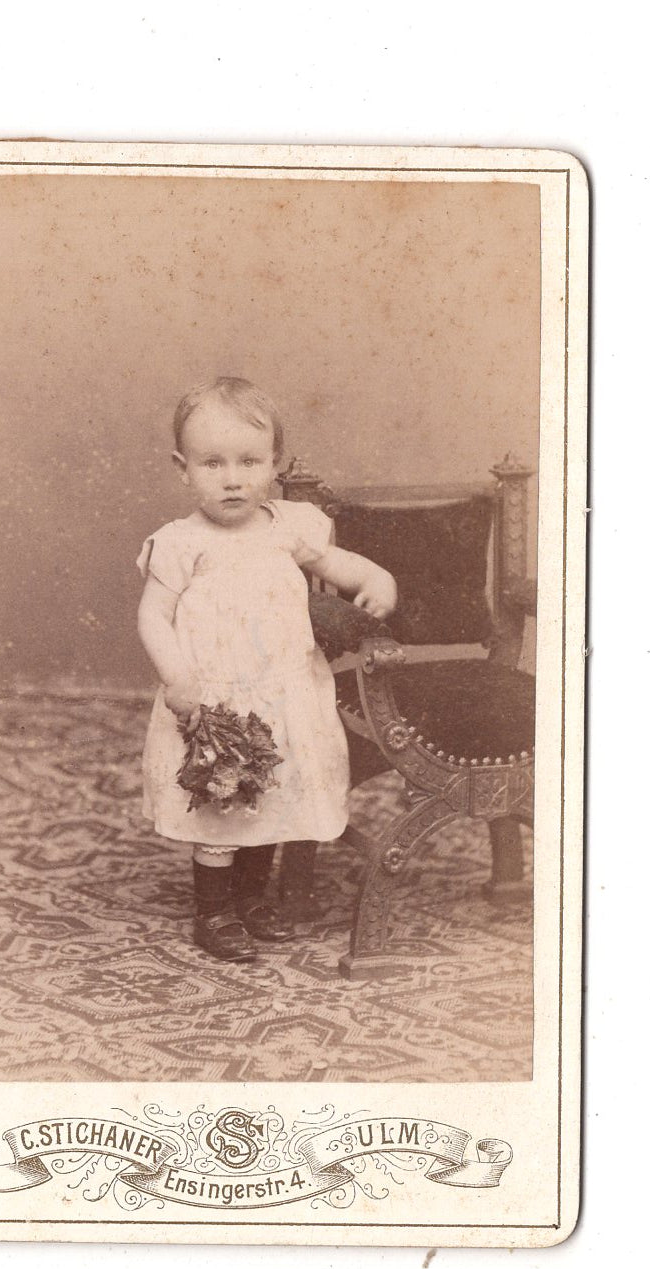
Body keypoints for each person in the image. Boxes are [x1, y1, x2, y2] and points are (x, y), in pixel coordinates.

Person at [137, 378, 396, 960]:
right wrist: (178, 677)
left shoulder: (288, 528)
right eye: (212, 463)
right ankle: (213, 911)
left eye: (249, 462)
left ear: (275, 463)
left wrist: (377, 579)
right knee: (219, 803)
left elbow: (339, 564)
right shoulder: (180, 543)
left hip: (284, 696)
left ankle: (252, 898)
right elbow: (153, 615)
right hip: (216, 702)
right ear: (183, 469)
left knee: (269, 797)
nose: (232, 479)